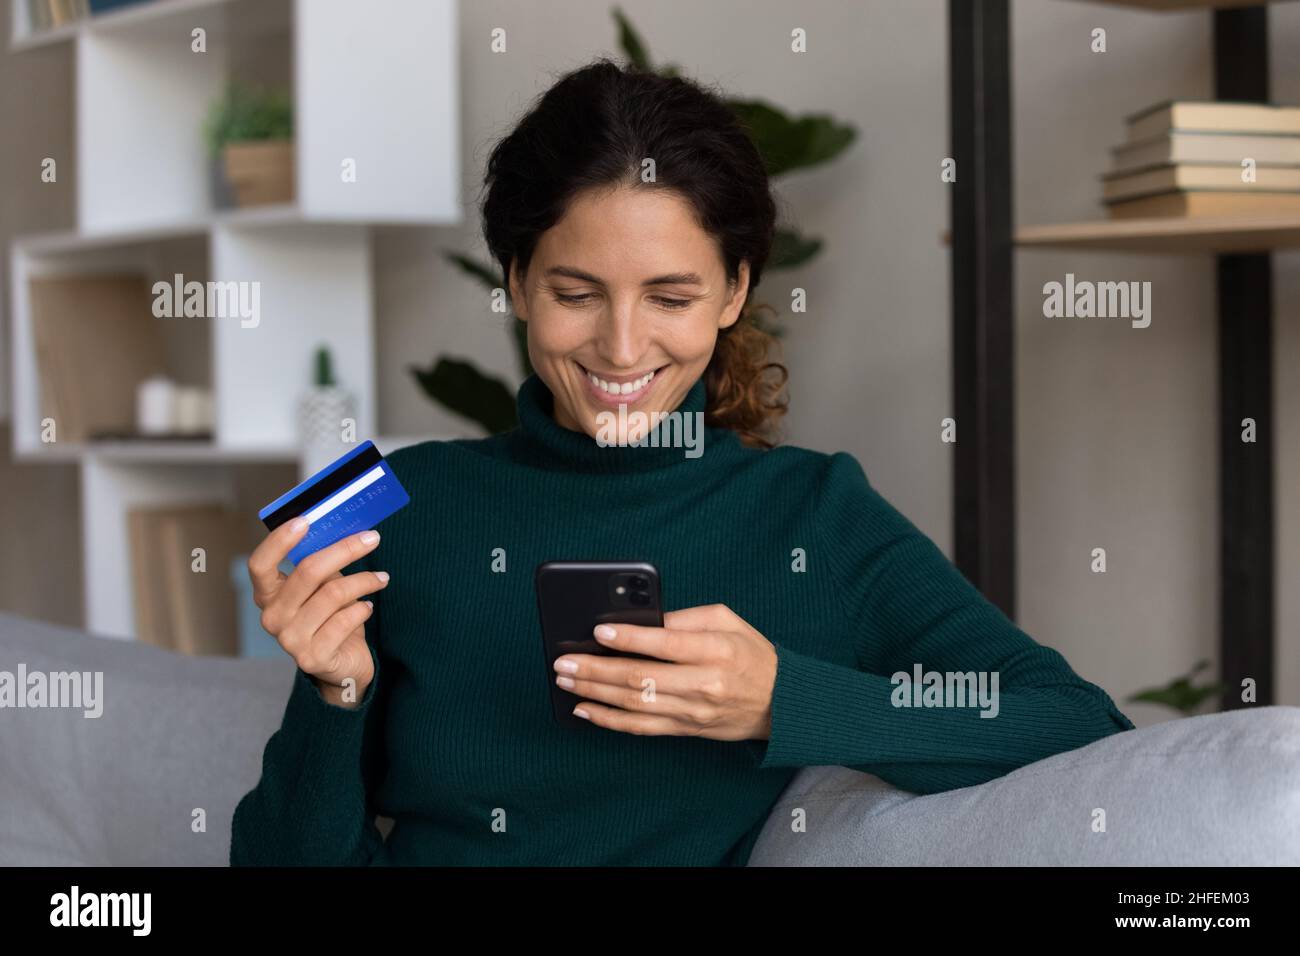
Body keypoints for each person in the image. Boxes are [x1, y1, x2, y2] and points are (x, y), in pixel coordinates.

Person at [230, 58, 1133, 866]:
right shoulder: (405, 499)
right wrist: (333, 693)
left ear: (735, 290)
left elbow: (1075, 721)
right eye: (575, 293)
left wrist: (788, 702)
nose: (622, 349)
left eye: (671, 296)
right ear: (513, 282)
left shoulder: (814, 515)